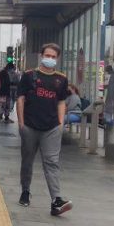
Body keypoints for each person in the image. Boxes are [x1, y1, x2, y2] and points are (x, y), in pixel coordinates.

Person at [16, 43, 72, 216]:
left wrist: (61, 123)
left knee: (52, 162)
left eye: (53, 57)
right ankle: (25, 190)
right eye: (47, 55)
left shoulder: (61, 79)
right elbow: (20, 99)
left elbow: (62, 101)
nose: (50, 59)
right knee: (27, 161)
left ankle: (56, 200)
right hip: (30, 126)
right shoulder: (29, 76)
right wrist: (21, 124)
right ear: (41, 55)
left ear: (58, 58)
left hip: (52, 128)